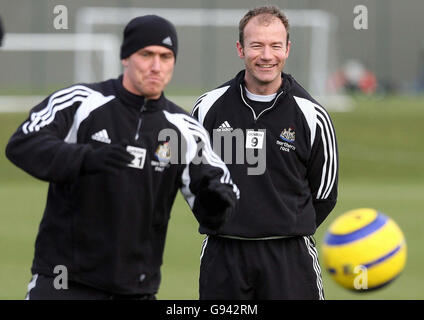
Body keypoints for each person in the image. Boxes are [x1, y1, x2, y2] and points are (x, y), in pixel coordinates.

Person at [6, 15, 239, 300]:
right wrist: (86, 158)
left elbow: (218, 195)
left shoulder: (183, 130)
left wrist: (215, 206)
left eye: (166, 57)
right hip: (62, 283)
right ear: (125, 57)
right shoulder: (82, 101)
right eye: (147, 54)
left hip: (135, 291)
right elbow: (23, 144)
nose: (156, 66)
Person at [192, 6, 338, 300]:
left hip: (289, 257)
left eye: (275, 45)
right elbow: (194, 179)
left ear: (287, 49)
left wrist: (284, 222)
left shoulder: (311, 115)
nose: (267, 55)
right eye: (256, 45)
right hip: (224, 255)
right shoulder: (207, 108)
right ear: (240, 48)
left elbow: (325, 193)